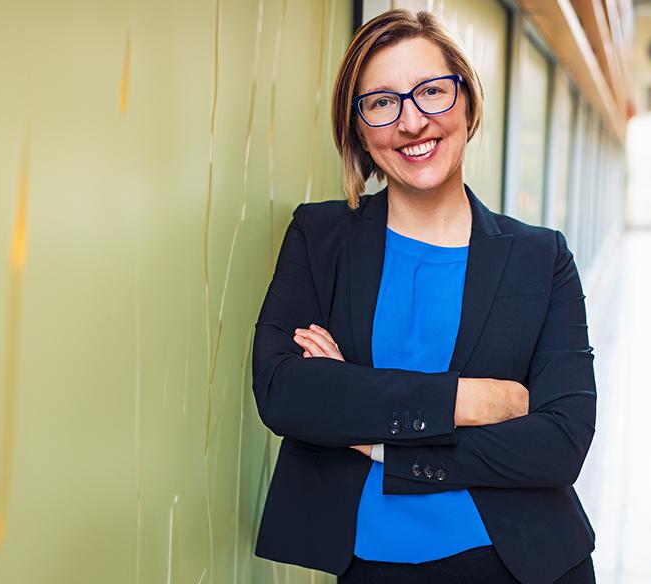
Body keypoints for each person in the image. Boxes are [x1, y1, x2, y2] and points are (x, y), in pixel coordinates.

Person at [251, 9, 597, 584]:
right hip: (369, 565)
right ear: (357, 127)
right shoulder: (320, 237)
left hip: (524, 564)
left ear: (466, 101)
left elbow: (560, 443)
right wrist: (473, 401)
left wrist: (374, 434)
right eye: (382, 102)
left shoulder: (542, 257)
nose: (412, 122)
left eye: (432, 92)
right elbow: (284, 392)